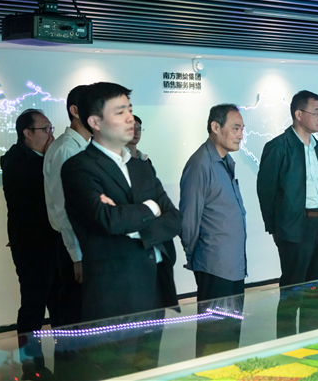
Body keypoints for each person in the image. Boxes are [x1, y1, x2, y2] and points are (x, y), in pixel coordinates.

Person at [61, 82, 181, 323]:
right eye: (120, 112)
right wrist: (152, 208)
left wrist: (132, 223)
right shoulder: (79, 167)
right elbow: (109, 220)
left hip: (156, 285)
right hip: (115, 294)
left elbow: (175, 219)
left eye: (130, 110)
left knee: (153, 350)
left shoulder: (141, 167)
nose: (130, 119)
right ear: (95, 122)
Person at [257, 90, 318, 338]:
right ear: (299, 115)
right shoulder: (278, 147)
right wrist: (274, 228)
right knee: (292, 289)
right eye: (316, 112)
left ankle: (312, 340)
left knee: (314, 288)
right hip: (294, 226)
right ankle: (287, 343)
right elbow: (266, 191)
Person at [180, 103, 248, 357]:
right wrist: (195, 257)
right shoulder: (201, 164)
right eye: (236, 128)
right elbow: (188, 221)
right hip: (214, 266)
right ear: (215, 127)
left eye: (242, 129)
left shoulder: (225, 161)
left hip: (233, 266)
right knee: (214, 338)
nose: (240, 135)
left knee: (230, 333)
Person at [1, 109, 60, 380]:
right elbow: (36, 195)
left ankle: (65, 357)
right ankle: (30, 366)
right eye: (45, 129)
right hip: (32, 246)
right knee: (33, 306)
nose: (51, 134)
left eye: (51, 128)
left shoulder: (40, 158)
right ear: (27, 133)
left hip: (52, 243)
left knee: (59, 303)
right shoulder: (16, 161)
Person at [43, 85, 90, 327]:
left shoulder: (84, 147)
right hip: (72, 247)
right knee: (75, 319)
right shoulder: (66, 149)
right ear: (75, 111)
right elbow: (64, 208)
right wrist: (77, 257)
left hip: (83, 244)